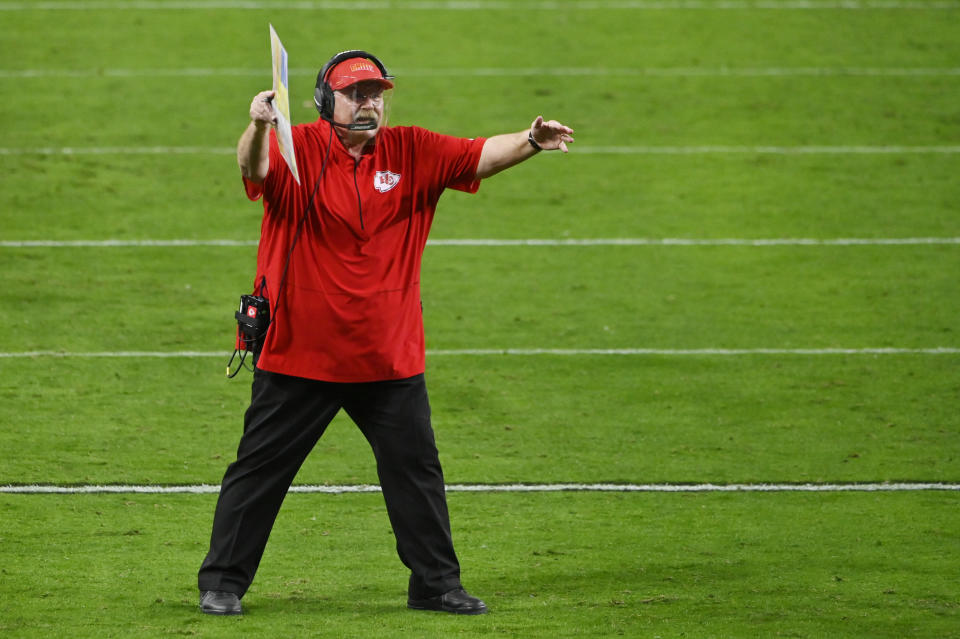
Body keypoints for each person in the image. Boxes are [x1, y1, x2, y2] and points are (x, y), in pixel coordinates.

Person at [197, 49, 574, 617]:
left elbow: (478, 155)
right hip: (302, 352)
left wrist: (530, 139)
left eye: (377, 94)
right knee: (258, 473)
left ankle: (435, 585)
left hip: (388, 356)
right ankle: (222, 583)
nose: (370, 104)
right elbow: (255, 169)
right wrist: (257, 125)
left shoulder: (414, 149)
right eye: (356, 94)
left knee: (415, 474)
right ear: (326, 101)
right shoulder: (295, 147)